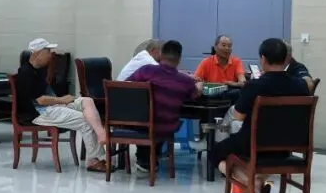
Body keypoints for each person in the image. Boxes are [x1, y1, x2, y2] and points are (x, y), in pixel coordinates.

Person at [210, 37, 311, 193]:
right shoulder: (301, 86)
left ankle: (252, 184)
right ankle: (256, 182)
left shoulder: (254, 86)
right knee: (266, 158)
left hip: (253, 143)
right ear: (286, 59)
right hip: (285, 146)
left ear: (263, 59)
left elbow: (238, 116)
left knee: (216, 153)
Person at [15, 38, 109, 172]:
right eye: (48, 51)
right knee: (86, 121)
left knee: (87, 101)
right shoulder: (26, 73)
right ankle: (94, 161)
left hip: (52, 107)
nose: (51, 55)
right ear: (37, 53)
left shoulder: (39, 70)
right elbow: (40, 100)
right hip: (39, 113)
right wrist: (62, 100)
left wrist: (61, 101)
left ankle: (101, 133)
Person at [128, 39, 201, 172]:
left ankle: (146, 160)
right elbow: (195, 96)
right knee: (160, 120)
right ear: (179, 59)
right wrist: (199, 87)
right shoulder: (186, 81)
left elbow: (127, 85)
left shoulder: (146, 70)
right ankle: (150, 158)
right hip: (167, 125)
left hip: (142, 123)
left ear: (161, 55)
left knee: (150, 118)